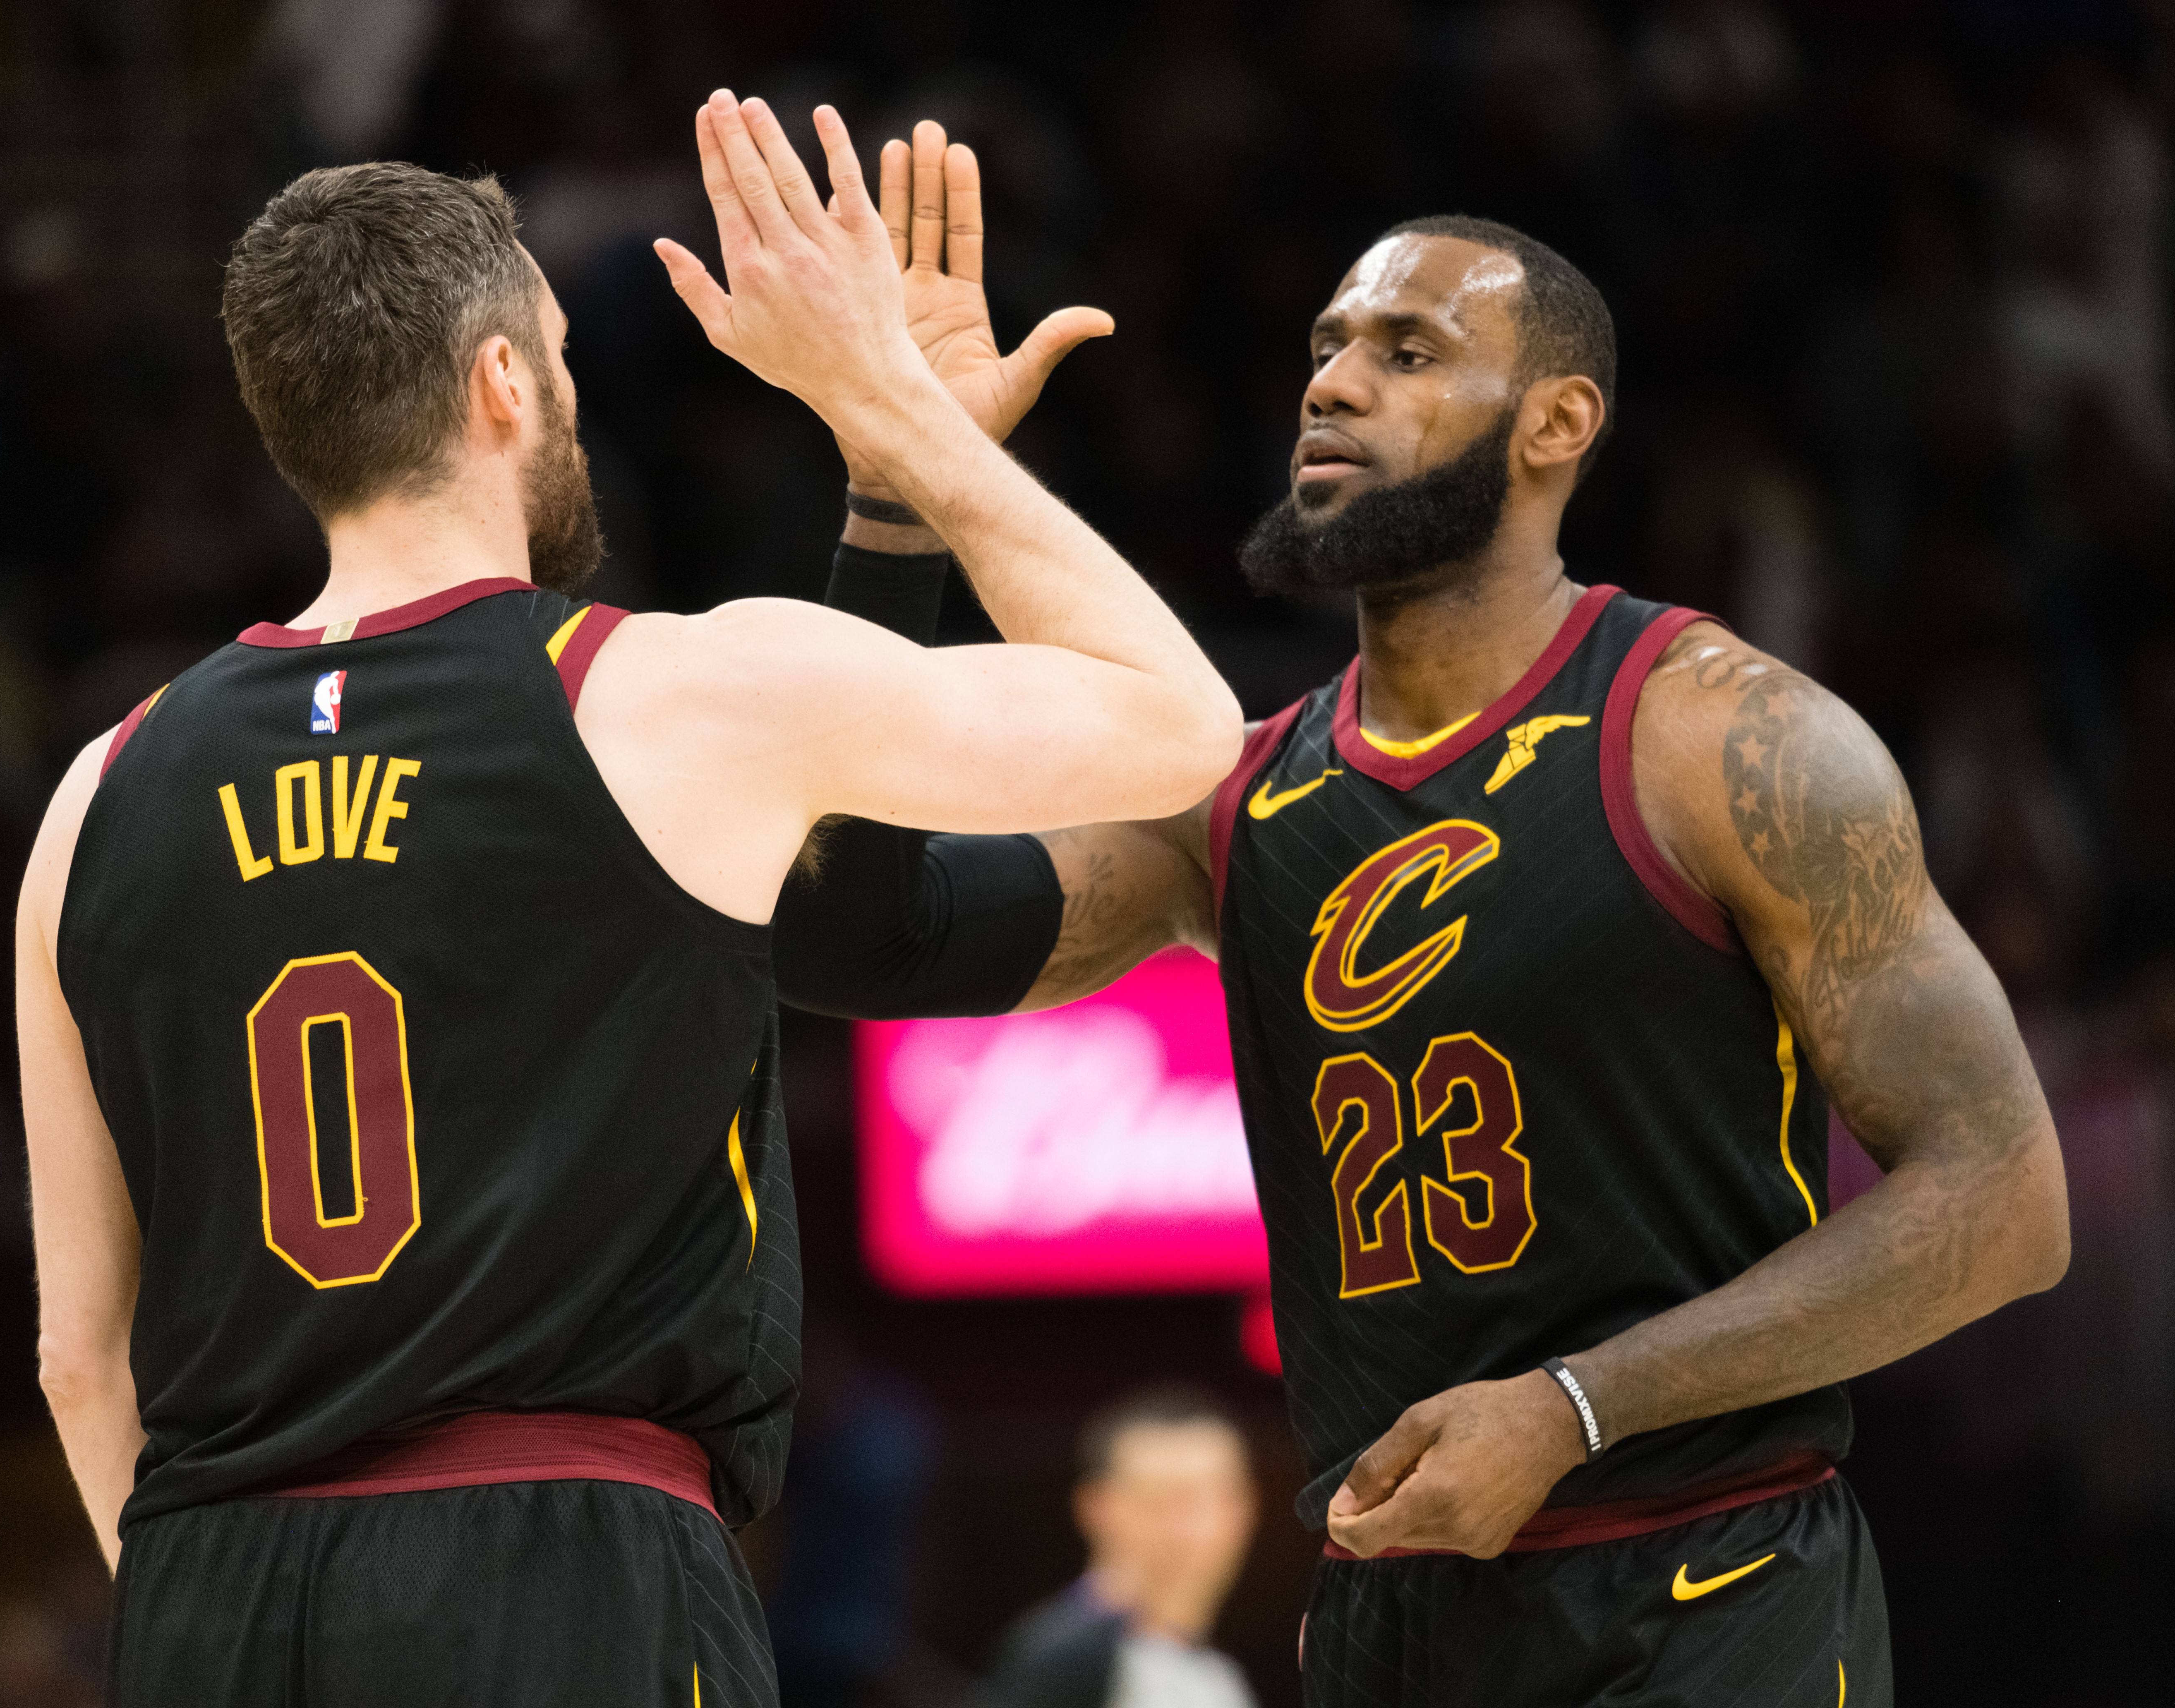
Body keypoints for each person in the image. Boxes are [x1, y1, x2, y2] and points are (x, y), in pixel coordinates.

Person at [16, 95, 1238, 1708]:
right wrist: (901, 417)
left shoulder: (96, 790)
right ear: (503, 381)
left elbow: (79, 1358)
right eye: (567, 355)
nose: (578, 393)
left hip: (213, 1590)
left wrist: (210, 1615)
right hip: (566, 1566)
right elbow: (1180, 725)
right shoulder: (663, 696)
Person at [776, 187, 2073, 1700]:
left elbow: (2002, 1201)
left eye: (1406, 351)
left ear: (1553, 423)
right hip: (1400, 1614)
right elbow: (849, 939)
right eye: (1326, 350)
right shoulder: (1234, 798)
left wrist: (1577, 1407)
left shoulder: (1720, 734)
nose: (1330, 383)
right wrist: (891, 497)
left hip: (1702, 1575)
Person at [979, 1388, 1259, 1708]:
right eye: (1161, 1501)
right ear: (1094, 1507)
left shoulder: (1216, 1674)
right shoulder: (1065, 1661)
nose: (1189, 1531)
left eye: (1211, 1500)